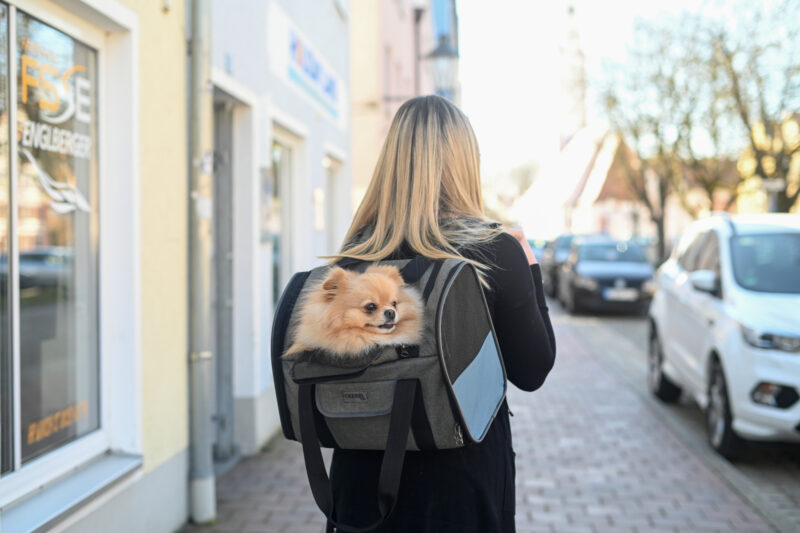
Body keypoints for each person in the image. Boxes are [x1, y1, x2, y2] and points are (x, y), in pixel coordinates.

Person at [327, 95, 556, 533]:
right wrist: (530, 269)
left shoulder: (356, 256)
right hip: (461, 490)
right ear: (465, 163)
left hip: (361, 492)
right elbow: (533, 370)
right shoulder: (494, 253)